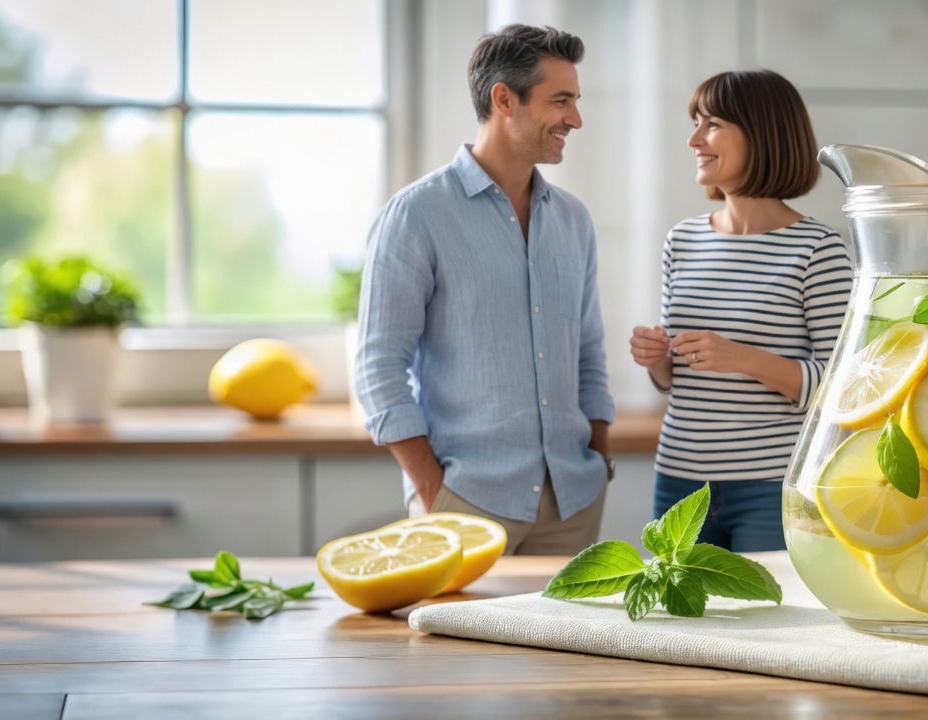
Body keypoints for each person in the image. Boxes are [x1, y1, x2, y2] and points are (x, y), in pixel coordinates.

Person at [355, 25, 615, 556]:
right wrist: (433, 492)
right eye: (560, 101)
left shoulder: (573, 220)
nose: (575, 119)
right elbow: (377, 366)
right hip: (464, 502)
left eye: (575, 101)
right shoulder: (416, 215)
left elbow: (588, 352)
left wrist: (599, 456)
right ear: (504, 99)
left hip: (573, 504)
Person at [628, 70, 853, 552]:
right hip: (679, 479)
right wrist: (657, 360)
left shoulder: (818, 250)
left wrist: (743, 357)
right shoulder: (682, 240)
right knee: (675, 603)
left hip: (773, 484)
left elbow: (843, 390)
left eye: (712, 124)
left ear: (762, 134)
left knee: (766, 604)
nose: (694, 139)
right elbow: (675, 378)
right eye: (695, 123)